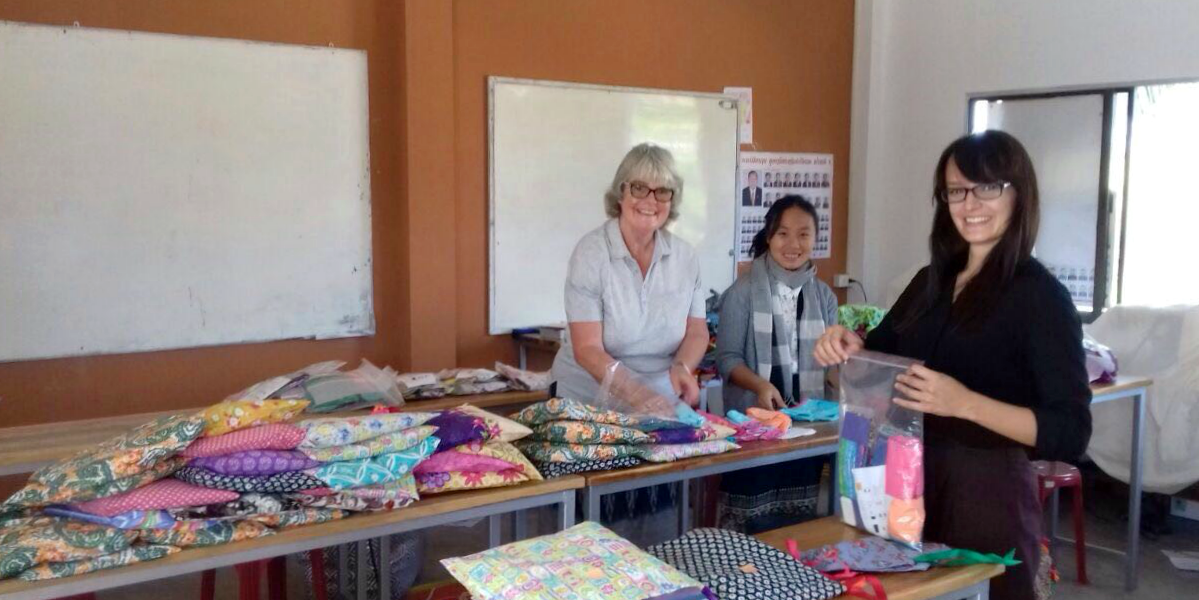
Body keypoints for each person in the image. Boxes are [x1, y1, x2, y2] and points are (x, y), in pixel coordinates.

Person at [814, 130, 1091, 600]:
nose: (970, 204)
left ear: (1018, 193)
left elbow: (1069, 431)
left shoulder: (1040, 296)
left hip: (987, 494)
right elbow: (876, 361)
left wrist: (964, 403)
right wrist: (845, 347)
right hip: (904, 482)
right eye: (957, 190)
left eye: (988, 187)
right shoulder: (930, 282)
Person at [551, 143, 708, 408]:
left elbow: (697, 331)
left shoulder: (686, 257)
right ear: (620, 193)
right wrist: (639, 396)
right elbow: (587, 349)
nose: (650, 201)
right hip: (587, 401)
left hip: (660, 400)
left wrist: (682, 366)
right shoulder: (591, 253)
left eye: (662, 192)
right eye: (638, 188)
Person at [715, 195, 838, 533]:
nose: (793, 244)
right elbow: (726, 360)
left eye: (804, 234)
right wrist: (760, 386)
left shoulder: (824, 296)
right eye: (783, 234)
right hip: (755, 426)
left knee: (799, 527)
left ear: (815, 239)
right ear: (769, 236)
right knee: (750, 529)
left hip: (806, 425)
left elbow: (831, 364)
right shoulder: (742, 292)